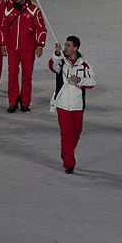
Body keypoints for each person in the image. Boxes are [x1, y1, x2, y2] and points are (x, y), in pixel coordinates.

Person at [49, 35, 95, 174]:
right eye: (65, 45)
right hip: (62, 103)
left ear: (75, 48)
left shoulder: (85, 65)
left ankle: (66, 152)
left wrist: (79, 79)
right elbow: (53, 66)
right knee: (66, 134)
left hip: (78, 105)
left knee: (76, 134)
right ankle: (69, 163)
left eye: (68, 45)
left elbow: (92, 82)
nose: (65, 48)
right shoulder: (61, 61)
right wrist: (57, 54)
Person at [1, 0, 47, 112]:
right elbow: (3, 28)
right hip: (12, 49)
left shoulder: (34, 11)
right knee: (12, 75)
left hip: (28, 49)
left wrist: (40, 45)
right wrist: (2, 44)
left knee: (27, 77)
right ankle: (13, 102)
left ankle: (25, 103)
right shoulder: (8, 10)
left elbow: (41, 28)